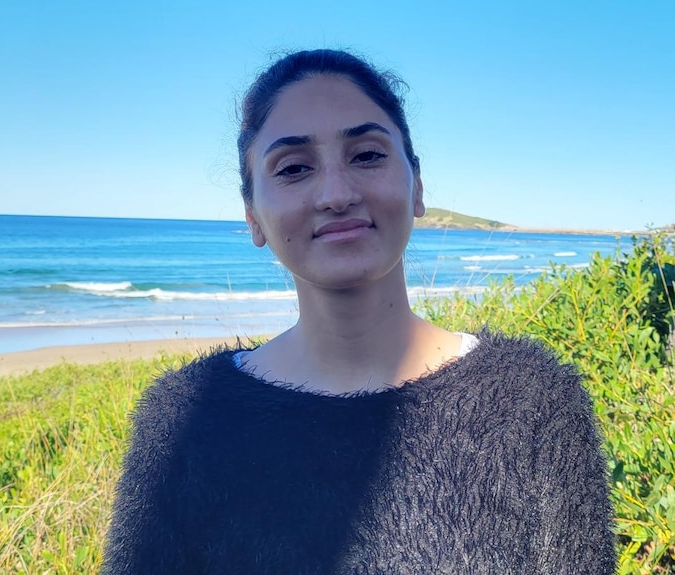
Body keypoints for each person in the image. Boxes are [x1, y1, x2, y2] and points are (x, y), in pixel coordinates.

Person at [101, 49, 615, 574]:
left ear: (417, 185)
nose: (337, 194)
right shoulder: (183, 419)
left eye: (367, 155)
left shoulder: (533, 399)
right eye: (294, 168)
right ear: (253, 216)